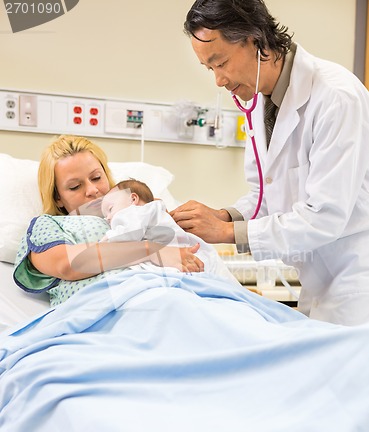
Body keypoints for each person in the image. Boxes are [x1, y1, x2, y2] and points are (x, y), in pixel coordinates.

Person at [171, 0, 369, 326]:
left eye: (220, 62)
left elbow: (324, 216)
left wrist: (227, 232)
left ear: (255, 39)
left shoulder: (335, 96)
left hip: (356, 282)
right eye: (210, 69)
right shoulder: (262, 101)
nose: (218, 81)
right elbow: (265, 193)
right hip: (320, 282)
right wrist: (223, 216)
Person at [13, 135, 204, 306]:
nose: (92, 190)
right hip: (108, 311)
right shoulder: (47, 225)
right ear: (57, 197)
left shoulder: (140, 206)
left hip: (174, 296)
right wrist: (149, 251)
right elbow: (69, 264)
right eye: (75, 186)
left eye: (96, 177)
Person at [100, 179, 239, 284]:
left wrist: (107, 238)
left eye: (110, 209)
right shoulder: (156, 212)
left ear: (133, 199)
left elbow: (127, 234)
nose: (108, 217)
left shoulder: (137, 211)